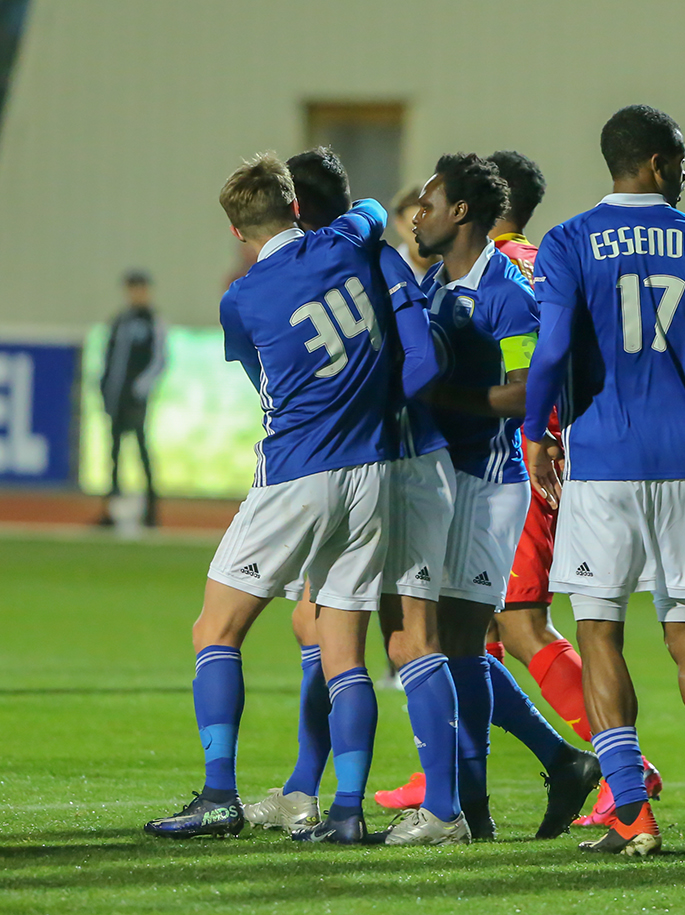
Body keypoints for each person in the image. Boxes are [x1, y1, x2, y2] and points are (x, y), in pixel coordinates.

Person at [525, 104, 685, 858]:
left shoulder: (567, 240)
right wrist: (678, 383)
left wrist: (538, 429)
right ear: (656, 162)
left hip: (605, 459)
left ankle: (632, 808)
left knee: (599, 631)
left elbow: (554, 345)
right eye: (682, 160)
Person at [143, 153, 395, 843]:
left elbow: (262, 380)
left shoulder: (241, 298)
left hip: (296, 470)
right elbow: (372, 210)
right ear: (294, 207)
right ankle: (346, 811)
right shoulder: (349, 238)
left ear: (235, 230)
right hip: (373, 473)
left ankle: (220, 794)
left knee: (215, 629)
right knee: (343, 650)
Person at [239, 147, 468, 847]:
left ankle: (447, 808)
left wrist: (357, 410)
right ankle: (308, 790)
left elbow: (427, 361)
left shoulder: (375, 262)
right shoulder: (354, 258)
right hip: (370, 463)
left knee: (409, 636)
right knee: (316, 623)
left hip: (403, 462)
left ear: (296, 212)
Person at [393, 152, 600, 841]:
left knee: (454, 643)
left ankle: (469, 806)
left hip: (488, 485)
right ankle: (482, 802)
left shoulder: (509, 292)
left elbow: (527, 387)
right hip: (439, 480)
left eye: (429, 201)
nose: (417, 214)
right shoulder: (430, 286)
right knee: (459, 646)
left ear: (460, 213)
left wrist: (443, 394)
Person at [479, 148, 664, 828]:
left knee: (521, 621)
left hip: (518, 460)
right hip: (553, 451)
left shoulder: (492, 270)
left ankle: (624, 770)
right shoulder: (555, 261)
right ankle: (439, 777)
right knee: (477, 629)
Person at [99, 271, 166, 527]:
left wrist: (140, 389)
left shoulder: (153, 321)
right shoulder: (120, 321)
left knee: (141, 450)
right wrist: (105, 389)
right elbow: (110, 359)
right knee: (114, 453)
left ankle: (151, 510)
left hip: (136, 400)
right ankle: (109, 511)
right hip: (116, 398)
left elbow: (160, 360)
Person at [389, 185, 439, 282]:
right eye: (414, 230)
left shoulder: (463, 269)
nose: (423, 240)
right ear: (399, 225)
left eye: (430, 230)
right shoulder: (385, 276)